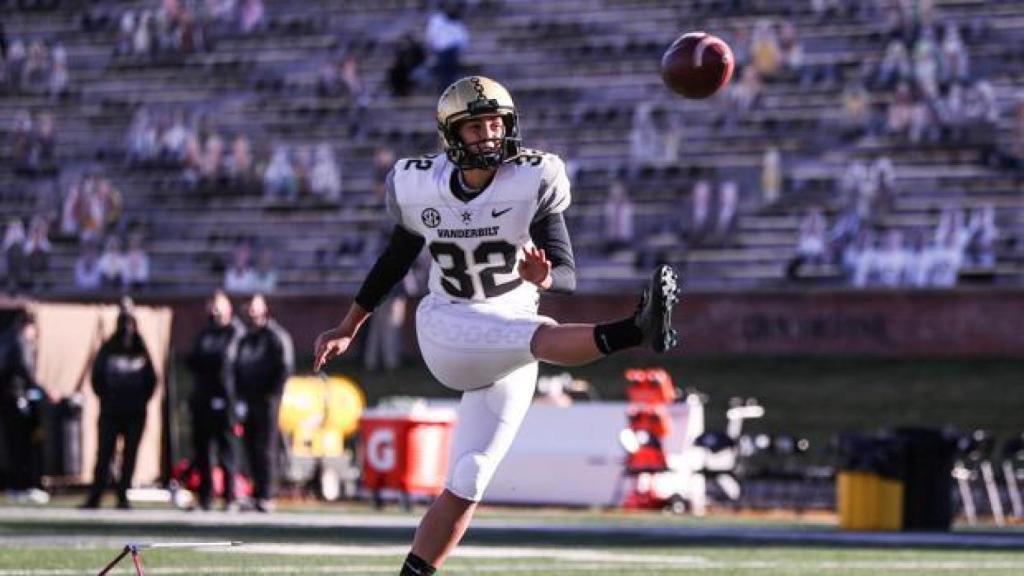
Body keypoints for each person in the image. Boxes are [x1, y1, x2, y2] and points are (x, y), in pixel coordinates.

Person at [312, 76, 680, 576]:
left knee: (470, 476)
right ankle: (634, 331)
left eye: (495, 124)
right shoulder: (422, 186)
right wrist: (349, 325)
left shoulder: (532, 178)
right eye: (476, 126)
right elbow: (394, 262)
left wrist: (544, 276)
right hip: (449, 326)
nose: (488, 135)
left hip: (510, 330)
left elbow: (566, 274)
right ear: (451, 134)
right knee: (537, 337)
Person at [81, 299, 157, 509]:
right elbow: (96, 378)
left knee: (130, 456)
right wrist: (107, 399)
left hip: (134, 413)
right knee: (104, 454)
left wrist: (139, 401)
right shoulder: (108, 347)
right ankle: (96, 496)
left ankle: (122, 496)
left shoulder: (141, 349)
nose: (126, 327)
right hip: (111, 411)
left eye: (129, 321)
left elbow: (152, 380)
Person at [227, 294, 293, 512]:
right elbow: (235, 368)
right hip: (248, 400)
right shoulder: (244, 338)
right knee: (250, 446)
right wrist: (239, 396)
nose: (251, 312)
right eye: (248, 307)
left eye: (255, 307)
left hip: (267, 401)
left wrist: (273, 394)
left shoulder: (275, 336)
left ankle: (267, 494)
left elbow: (285, 367)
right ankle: (255, 492)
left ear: (265, 309)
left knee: (266, 448)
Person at [186, 290, 243, 512]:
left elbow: (225, 360)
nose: (215, 311)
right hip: (203, 398)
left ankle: (230, 497)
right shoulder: (205, 332)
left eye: (219, 306)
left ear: (229, 308)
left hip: (226, 400)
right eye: (212, 305)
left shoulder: (236, 332)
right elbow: (194, 360)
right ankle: (206, 497)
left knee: (227, 451)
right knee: (204, 451)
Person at [0, 311, 51, 504]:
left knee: (13, 446)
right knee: (23, 446)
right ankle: (23, 486)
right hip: (16, 398)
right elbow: (26, 371)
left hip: (7, 399)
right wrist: (45, 391)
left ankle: (16, 486)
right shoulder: (19, 342)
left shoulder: (6, 339)